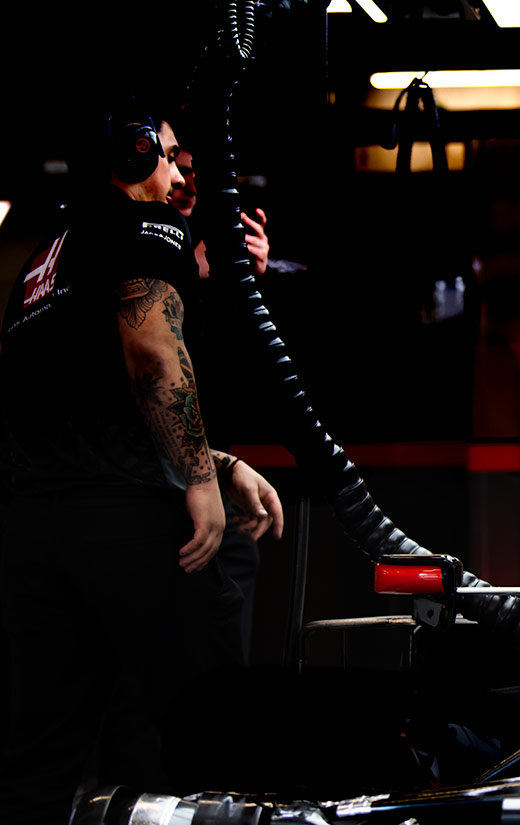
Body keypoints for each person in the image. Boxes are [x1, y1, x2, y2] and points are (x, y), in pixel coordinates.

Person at [0, 102, 284, 824]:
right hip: (128, 521)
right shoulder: (146, 227)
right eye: (170, 156)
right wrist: (199, 479)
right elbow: (155, 354)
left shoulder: (40, 262)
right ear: (132, 157)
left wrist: (217, 461)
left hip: (33, 529)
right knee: (207, 723)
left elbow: (89, 403)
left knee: (43, 755)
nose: (179, 174)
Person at [163, 113, 271, 658]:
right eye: (172, 166)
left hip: (202, 465)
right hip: (155, 484)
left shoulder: (207, 265)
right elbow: (154, 367)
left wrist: (246, 289)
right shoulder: (141, 254)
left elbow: (242, 380)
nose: (183, 184)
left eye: (195, 173)